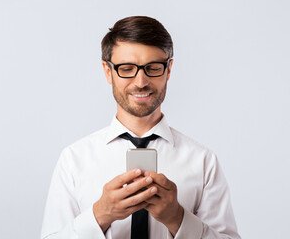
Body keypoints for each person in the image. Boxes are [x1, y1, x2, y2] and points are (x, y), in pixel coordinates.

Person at [41, 16, 241, 239]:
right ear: (108, 72)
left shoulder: (203, 161)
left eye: (153, 68)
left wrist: (177, 219)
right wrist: (100, 215)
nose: (140, 81)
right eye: (126, 69)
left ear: (168, 69)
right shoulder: (74, 160)